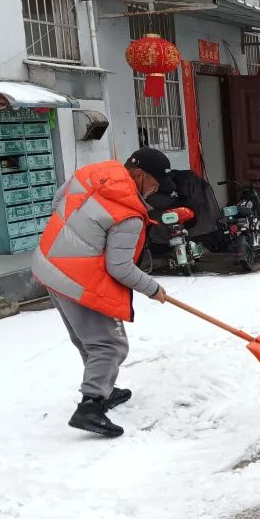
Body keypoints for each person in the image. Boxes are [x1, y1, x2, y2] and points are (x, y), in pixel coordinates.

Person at [32, 149, 171, 438]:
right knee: (109, 345)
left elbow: (57, 201)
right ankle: (91, 405)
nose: (155, 192)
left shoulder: (92, 174)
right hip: (79, 279)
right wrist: (153, 289)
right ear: (139, 174)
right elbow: (120, 268)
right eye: (155, 184)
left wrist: (76, 237)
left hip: (50, 265)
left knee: (88, 338)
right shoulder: (129, 213)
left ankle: (102, 387)